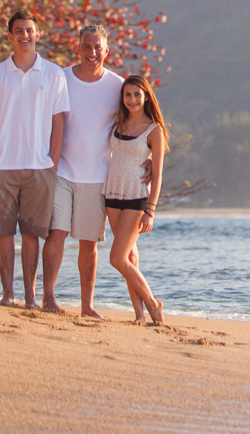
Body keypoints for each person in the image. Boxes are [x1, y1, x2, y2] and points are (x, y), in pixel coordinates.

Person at [0, 9, 70, 308]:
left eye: (29, 30)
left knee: (32, 234)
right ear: (10, 36)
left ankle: (31, 297)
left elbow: (59, 124)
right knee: (3, 233)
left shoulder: (55, 74)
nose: (25, 35)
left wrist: (52, 165)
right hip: (1, 166)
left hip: (40, 167)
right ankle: (8, 295)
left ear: (38, 34)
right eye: (19, 31)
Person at [40, 24, 124, 316]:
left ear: (107, 50)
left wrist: (148, 159)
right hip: (60, 171)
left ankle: (87, 305)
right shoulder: (60, 78)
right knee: (57, 233)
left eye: (97, 47)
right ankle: (49, 298)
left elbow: (139, 124)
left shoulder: (117, 85)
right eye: (86, 47)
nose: (92, 53)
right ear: (78, 48)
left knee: (89, 243)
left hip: (98, 175)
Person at [103, 74, 168, 324]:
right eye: (127, 94)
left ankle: (153, 304)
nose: (132, 99)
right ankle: (139, 315)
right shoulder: (117, 124)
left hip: (136, 198)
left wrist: (151, 210)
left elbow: (159, 174)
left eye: (137, 94)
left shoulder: (154, 130)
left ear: (146, 96)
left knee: (116, 258)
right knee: (130, 257)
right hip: (112, 195)